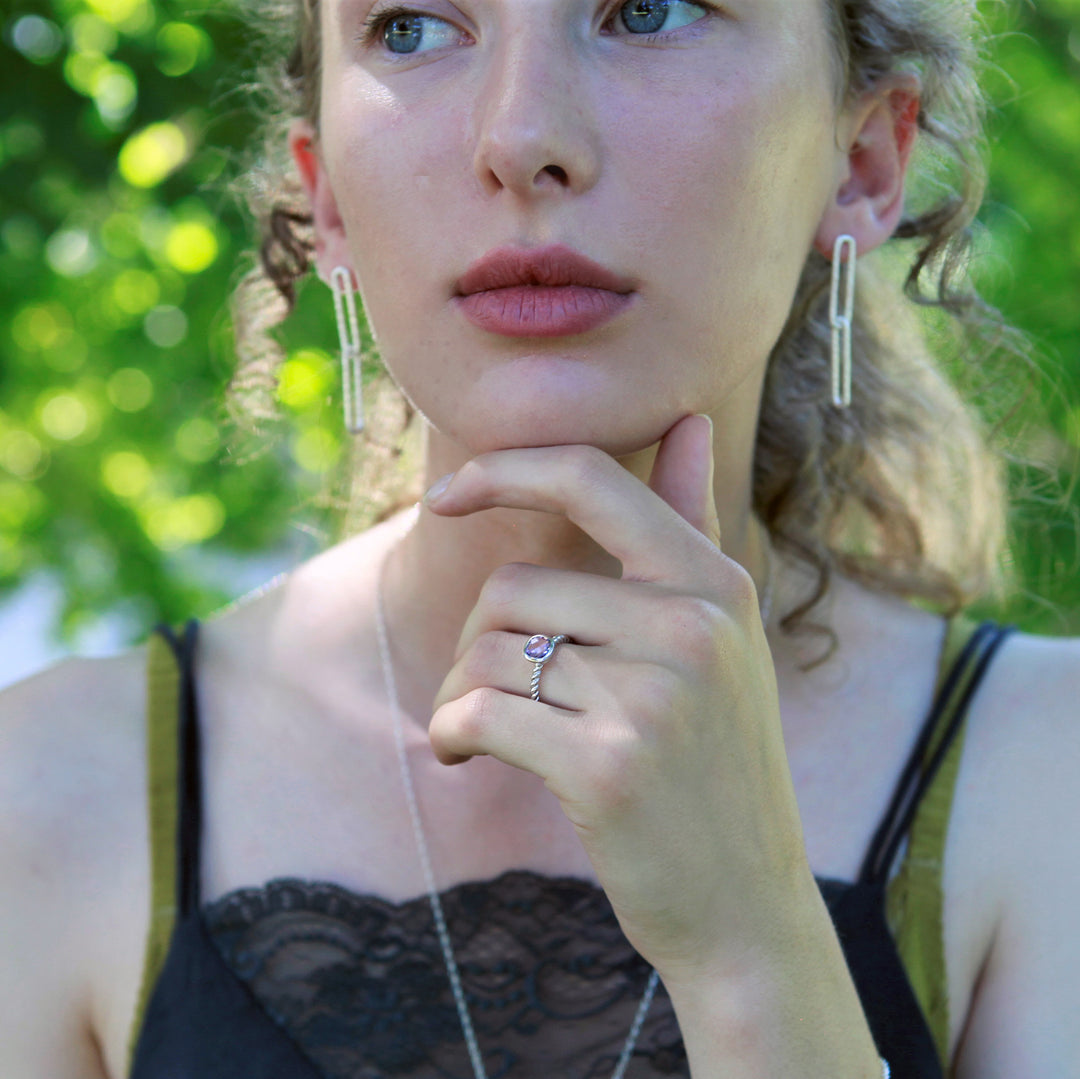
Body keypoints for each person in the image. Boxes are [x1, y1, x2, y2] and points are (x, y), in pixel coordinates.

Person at [1, 0, 1077, 1076]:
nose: (520, 141)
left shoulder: (1046, 780)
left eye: (647, 12)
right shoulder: (48, 794)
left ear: (864, 161)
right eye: (413, 27)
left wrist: (753, 949)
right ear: (325, 192)